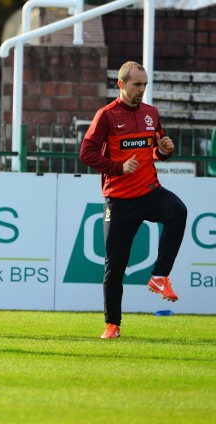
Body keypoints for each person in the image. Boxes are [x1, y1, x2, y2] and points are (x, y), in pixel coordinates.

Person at [80, 61, 187, 339]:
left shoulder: (152, 113)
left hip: (149, 191)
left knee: (178, 210)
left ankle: (159, 276)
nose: (142, 90)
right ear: (121, 84)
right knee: (115, 267)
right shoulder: (106, 115)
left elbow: (155, 150)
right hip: (119, 200)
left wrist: (164, 151)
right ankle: (112, 324)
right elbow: (86, 153)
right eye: (136, 84)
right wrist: (117, 167)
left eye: (144, 84)